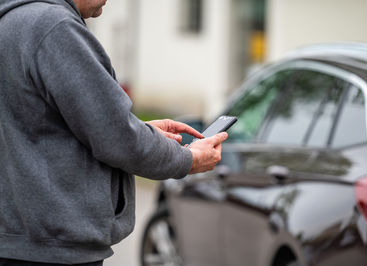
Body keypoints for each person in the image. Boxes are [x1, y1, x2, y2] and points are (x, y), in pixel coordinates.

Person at [0, 0, 228, 265]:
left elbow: (41, 126)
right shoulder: (55, 28)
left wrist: (139, 129)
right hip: (55, 251)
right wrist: (188, 160)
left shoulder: (11, 22)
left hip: (16, 241)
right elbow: (118, 138)